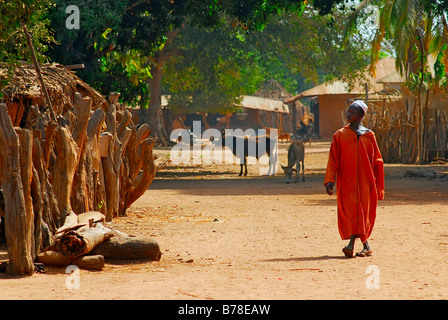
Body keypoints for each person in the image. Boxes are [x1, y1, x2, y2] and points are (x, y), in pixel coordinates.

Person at [324, 100, 385, 258]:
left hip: (366, 181)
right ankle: (365, 245)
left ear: (361, 115)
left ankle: (352, 245)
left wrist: (379, 185)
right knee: (352, 211)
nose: (348, 114)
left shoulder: (369, 136)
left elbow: (378, 161)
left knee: (362, 211)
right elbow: (333, 159)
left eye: (352, 112)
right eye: (348, 111)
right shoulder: (340, 135)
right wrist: (330, 180)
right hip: (347, 181)